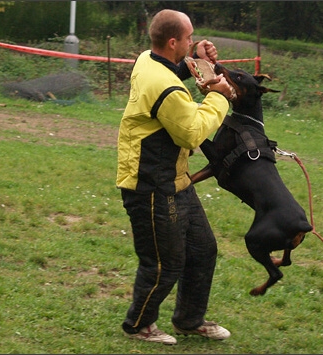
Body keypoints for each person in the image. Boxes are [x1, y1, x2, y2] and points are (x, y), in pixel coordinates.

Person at [116, 9, 234, 345]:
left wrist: (195, 59)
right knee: (164, 264)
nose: (193, 40)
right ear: (172, 41)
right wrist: (219, 96)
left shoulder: (147, 60)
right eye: (188, 38)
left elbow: (172, 71)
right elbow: (192, 133)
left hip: (175, 178)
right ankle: (139, 325)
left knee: (202, 249)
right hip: (150, 185)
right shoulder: (165, 88)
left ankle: (188, 319)